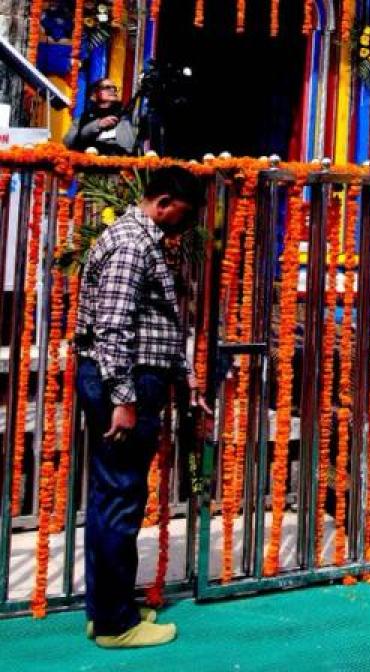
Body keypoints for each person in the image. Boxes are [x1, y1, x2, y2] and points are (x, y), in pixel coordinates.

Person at [75, 167, 208, 647]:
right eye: (185, 217)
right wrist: (124, 399)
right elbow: (113, 326)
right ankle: (115, 623)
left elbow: (157, 322)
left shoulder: (144, 241)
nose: (185, 229)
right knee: (120, 499)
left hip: (134, 381)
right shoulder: (132, 243)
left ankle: (110, 607)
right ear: (166, 202)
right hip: (123, 385)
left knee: (116, 496)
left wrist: (186, 377)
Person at [64, 78, 138, 156]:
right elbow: (68, 143)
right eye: (107, 87)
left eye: (114, 88)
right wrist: (98, 125)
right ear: (94, 95)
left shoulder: (128, 115)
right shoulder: (82, 118)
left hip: (120, 162)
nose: (112, 90)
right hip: (91, 162)